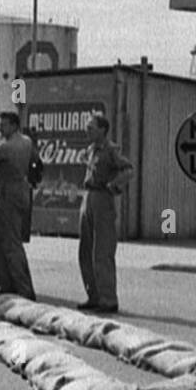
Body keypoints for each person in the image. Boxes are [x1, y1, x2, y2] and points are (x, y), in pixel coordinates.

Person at [77, 114, 134, 313]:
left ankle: (108, 299)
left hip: (103, 198)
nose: (87, 130)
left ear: (102, 130)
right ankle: (94, 295)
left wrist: (113, 185)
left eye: (91, 127)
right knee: (86, 250)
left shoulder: (111, 150)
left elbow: (128, 170)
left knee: (102, 251)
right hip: (89, 196)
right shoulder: (91, 150)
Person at [0, 110, 36, 299]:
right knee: (6, 241)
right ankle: (7, 285)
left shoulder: (4, 147)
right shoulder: (27, 142)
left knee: (11, 244)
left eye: (3, 125)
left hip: (6, 195)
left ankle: (23, 288)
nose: (0, 128)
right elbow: (35, 162)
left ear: (13, 125)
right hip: (21, 192)